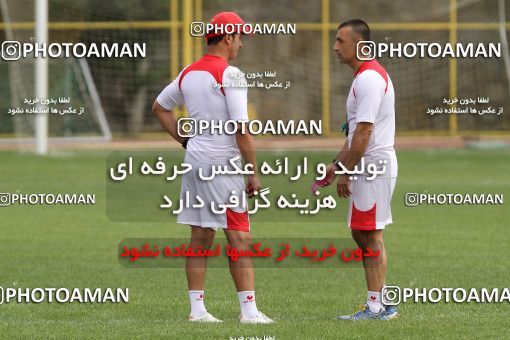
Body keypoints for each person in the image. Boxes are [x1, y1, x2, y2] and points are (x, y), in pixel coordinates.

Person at [152, 11, 273, 324]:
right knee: (239, 236)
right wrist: (253, 172)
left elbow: (160, 108)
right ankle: (249, 312)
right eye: (239, 37)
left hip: (194, 164)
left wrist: (185, 141)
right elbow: (241, 130)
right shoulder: (230, 75)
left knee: (201, 236)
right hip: (222, 166)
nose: (241, 44)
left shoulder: (189, 73)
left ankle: (197, 310)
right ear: (228, 37)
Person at [322, 19, 398, 320]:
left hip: (373, 165)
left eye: (341, 41)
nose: (335, 47)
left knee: (370, 234)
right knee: (362, 232)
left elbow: (364, 134)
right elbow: (355, 134)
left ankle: (378, 307)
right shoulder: (364, 77)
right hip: (368, 164)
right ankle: (380, 301)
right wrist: (336, 165)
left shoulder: (368, 79)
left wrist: (347, 171)